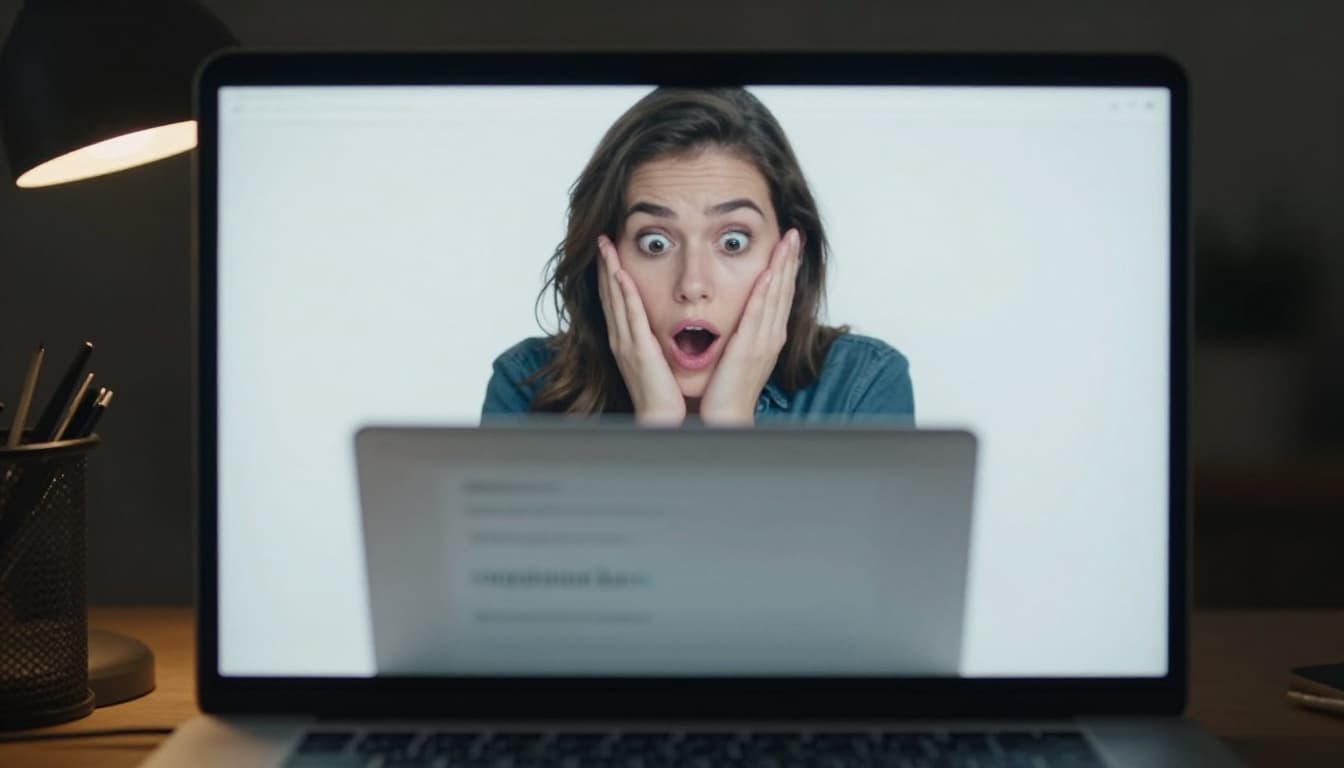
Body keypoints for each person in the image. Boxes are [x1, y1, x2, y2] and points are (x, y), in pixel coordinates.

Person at [482, 87, 913, 426]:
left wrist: (728, 430)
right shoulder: (526, 389)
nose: (692, 285)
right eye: (655, 243)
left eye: (733, 242)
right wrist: (657, 436)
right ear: (605, 260)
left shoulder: (860, 387)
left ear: (790, 255)